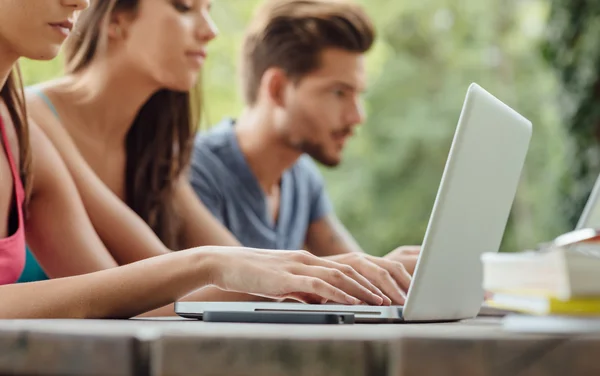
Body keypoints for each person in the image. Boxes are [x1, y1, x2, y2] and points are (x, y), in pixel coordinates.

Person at [0, 0, 388, 319]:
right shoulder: (36, 119)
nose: (210, 31)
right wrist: (210, 265)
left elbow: (136, 301)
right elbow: (137, 289)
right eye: (184, 7)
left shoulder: (22, 130)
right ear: (117, 19)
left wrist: (350, 276)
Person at [189, 0, 420, 304]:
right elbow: (242, 290)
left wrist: (393, 274)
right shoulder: (195, 170)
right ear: (277, 88)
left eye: (357, 94)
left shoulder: (301, 179)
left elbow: (356, 273)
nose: (357, 116)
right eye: (339, 92)